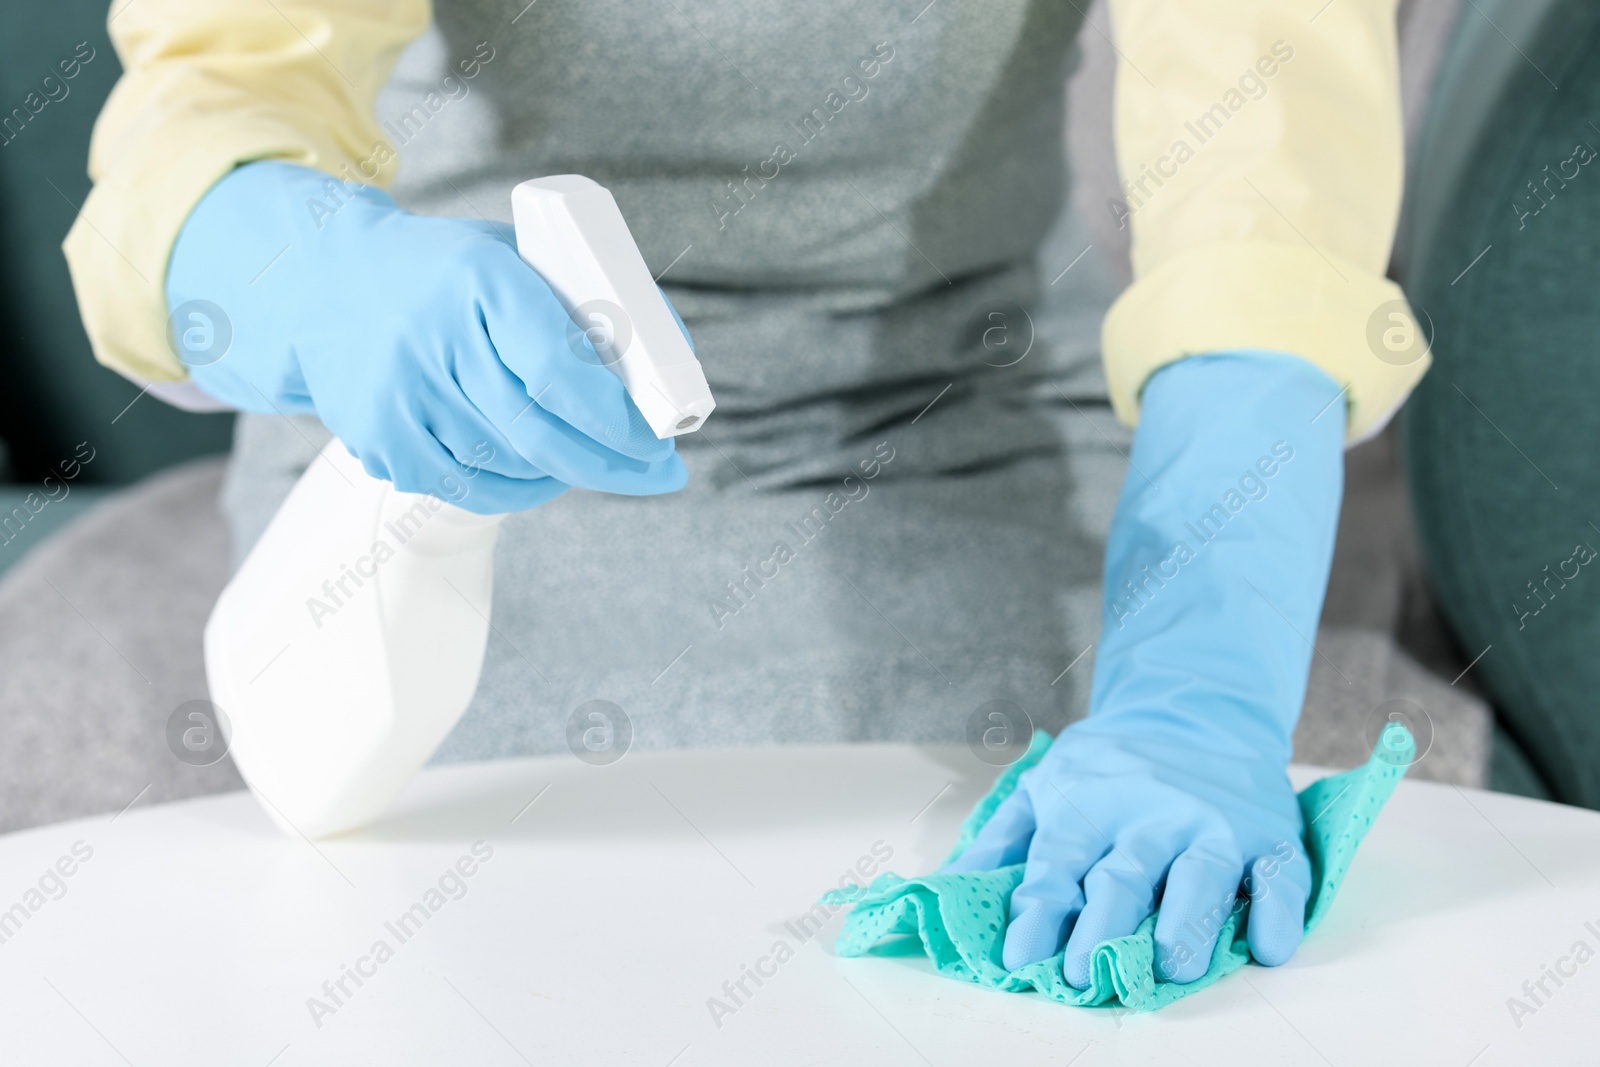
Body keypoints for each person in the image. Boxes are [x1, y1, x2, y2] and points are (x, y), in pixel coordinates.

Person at [64, 0, 1424, 986]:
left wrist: (1197, 692)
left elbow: (1268, 182)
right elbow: (208, 107)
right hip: (441, 422)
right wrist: (312, 278)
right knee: (448, 953)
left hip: (944, 421)